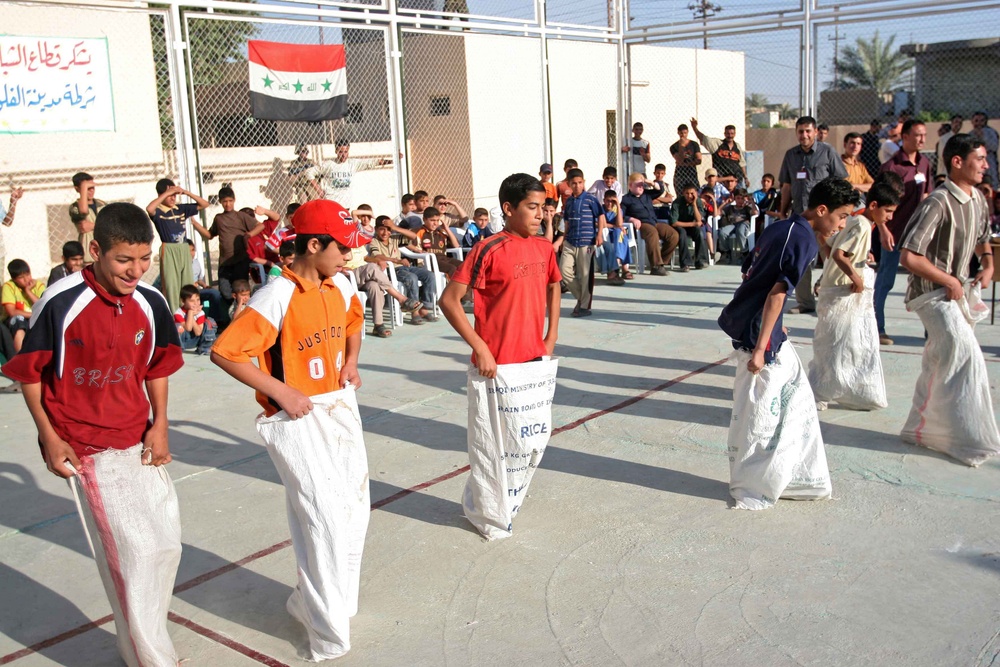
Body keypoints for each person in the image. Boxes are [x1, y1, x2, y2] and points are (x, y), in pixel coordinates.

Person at [1, 202, 184, 665]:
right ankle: (151, 659)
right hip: (87, 449)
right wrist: (48, 435)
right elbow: (29, 374)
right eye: (125, 260)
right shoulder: (62, 301)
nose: (136, 270)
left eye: (145, 259)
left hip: (138, 440)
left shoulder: (151, 300)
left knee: (164, 546)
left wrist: (159, 424)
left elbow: (159, 365)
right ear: (96, 250)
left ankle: (141, 644)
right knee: (133, 557)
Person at [211, 198, 369, 661]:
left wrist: (352, 361)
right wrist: (281, 392)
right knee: (320, 518)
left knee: (354, 511)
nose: (349, 256)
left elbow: (354, 322)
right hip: (295, 417)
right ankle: (327, 632)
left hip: (337, 407)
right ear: (314, 244)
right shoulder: (277, 295)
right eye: (342, 247)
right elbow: (226, 352)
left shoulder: (340, 286)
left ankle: (324, 602)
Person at [717, 178, 858, 510]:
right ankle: (753, 486)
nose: (841, 225)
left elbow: (750, 271)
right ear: (821, 210)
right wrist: (762, 347)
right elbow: (776, 293)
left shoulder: (780, 228)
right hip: (758, 337)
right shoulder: (804, 241)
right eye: (840, 217)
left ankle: (792, 477)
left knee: (795, 400)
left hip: (761, 328)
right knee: (761, 414)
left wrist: (775, 325)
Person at [897, 134, 1000, 466]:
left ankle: (919, 429)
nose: (986, 165)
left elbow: (983, 238)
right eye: (980, 159)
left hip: (955, 293)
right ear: (957, 162)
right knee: (965, 354)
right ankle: (967, 438)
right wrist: (949, 281)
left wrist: (988, 263)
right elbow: (909, 256)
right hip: (931, 295)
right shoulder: (937, 201)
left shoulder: (979, 200)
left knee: (940, 359)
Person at [809, 182, 899, 411]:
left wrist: (856, 257)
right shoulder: (861, 225)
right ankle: (820, 389)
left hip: (837, 286)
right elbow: (840, 254)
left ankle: (841, 388)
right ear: (874, 205)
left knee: (843, 340)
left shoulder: (856, 221)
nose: (889, 217)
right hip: (842, 289)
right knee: (836, 341)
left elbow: (829, 244)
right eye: (887, 211)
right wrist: (855, 278)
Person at [778, 115, 848, 314]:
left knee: (831, 258)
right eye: (800, 131)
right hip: (801, 218)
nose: (804, 135)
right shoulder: (791, 156)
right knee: (800, 260)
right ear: (796, 133)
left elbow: (841, 181)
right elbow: (786, 185)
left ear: (816, 132)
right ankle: (805, 302)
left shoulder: (828, 152)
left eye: (808, 131)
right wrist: (783, 210)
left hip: (825, 219)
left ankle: (832, 299)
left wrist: (839, 213)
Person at [875, 119, 933, 345]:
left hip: (919, 237)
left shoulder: (925, 163)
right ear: (905, 137)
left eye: (924, 135)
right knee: (885, 281)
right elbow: (878, 204)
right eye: (918, 135)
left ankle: (932, 331)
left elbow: (928, 196)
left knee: (925, 283)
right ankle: (877, 328)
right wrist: (882, 229)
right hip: (894, 234)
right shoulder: (891, 167)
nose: (922, 139)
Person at [146, 178, 210, 312]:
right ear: (161, 195)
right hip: (169, 249)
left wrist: (185, 192)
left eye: (174, 195)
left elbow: (205, 204)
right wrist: (167, 193)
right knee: (171, 285)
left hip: (183, 248)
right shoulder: (159, 212)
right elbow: (149, 208)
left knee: (186, 282)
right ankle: (175, 314)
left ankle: (191, 312)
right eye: (170, 195)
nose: (173, 198)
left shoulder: (181, 209)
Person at [369, 217, 437, 324]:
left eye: (388, 229)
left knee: (429, 275)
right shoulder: (374, 241)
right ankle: (414, 312)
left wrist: (395, 227)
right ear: (376, 229)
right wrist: (397, 260)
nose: (385, 233)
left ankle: (424, 307)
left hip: (403, 267)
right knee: (411, 278)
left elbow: (414, 237)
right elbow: (379, 257)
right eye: (382, 229)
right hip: (390, 270)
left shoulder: (394, 238)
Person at [560, 168, 605, 317]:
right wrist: (564, 239)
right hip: (570, 241)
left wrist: (599, 234)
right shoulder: (569, 202)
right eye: (574, 183)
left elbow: (600, 216)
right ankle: (581, 297)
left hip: (586, 242)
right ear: (569, 184)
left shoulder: (591, 199)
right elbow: (566, 222)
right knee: (564, 271)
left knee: (585, 275)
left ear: (583, 182)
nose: (577, 186)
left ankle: (584, 306)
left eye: (580, 183)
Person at [620, 172, 679, 276]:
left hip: (653, 222)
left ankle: (661, 262)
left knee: (673, 234)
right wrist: (631, 219)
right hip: (641, 225)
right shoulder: (626, 199)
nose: (641, 187)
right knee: (652, 233)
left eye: (642, 185)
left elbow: (660, 189)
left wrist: (649, 182)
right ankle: (656, 266)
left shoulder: (647, 194)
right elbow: (620, 215)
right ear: (630, 186)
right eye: (638, 185)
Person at [309, 138, 390, 203]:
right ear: (336, 151)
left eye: (345, 152)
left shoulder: (352, 164)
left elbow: (372, 162)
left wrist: (392, 160)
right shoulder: (329, 164)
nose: (343, 155)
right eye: (340, 152)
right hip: (332, 202)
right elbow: (309, 173)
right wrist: (318, 189)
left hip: (346, 204)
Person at [2, 259, 45, 353]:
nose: (26, 279)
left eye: (28, 275)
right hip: (15, 320)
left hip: (34, 317)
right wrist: (33, 315)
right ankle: (21, 356)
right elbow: (12, 312)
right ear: (14, 279)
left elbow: (43, 305)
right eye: (21, 277)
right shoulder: (9, 287)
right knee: (18, 320)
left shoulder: (38, 285)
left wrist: (28, 291)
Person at [690, 118, 749, 185]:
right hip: (722, 181)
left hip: (736, 180)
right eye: (728, 133)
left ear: (735, 134)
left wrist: (746, 178)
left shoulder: (737, 146)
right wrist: (694, 128)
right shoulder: (717, 144)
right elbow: (703, 138)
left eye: (732, 133)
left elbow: (742, 163)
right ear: (724, 134)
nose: (730, 136)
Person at [414, 207, 462, 276]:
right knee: (452, 268)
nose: (435, 223)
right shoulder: (420, 232)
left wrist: (446, 228)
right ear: (424, 219)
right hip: (429, 261)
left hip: (444, 258)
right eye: (432, 220)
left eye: (437, 220)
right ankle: (452, 287)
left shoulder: (441, 233)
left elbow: (456, 245)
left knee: (464, 265)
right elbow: (416, 250)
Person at [69, 172, 105, 265]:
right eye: (87, 189)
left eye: (92, 187)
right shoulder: (75, 207)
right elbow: (84, 213)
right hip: (88, 253)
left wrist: (95, 226)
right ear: (77, 189)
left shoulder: (101, 204)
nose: (91, 191)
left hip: (104, 249)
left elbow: (110, 224)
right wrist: (83, 188)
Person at [670, 185, 709, 271]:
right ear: (683, 193)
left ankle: (700, 261)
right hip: (680, 226)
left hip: (693, 226)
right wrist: (693, 224)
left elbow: (699, 220)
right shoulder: (677, 202)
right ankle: (685, 263)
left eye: (692, 193)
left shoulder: (698, 201)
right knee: (682, 234)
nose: (689, 196)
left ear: (696, 194)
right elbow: (674, 222)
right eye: (687, 193)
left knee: (699, 232)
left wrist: (694, 204)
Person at [175, 283, 217, 355]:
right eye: (192, 301)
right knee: (177, 327)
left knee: (209, 322)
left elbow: (198, 332)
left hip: (195, 340)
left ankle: (204, 348)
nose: (196, 303)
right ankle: (177, 349)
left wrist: (192, 317)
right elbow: (188, 328)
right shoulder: (178, 313)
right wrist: (190, 313)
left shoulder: (200, 313)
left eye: (198, 300)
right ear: (183, 301)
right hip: (182, 341)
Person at [717, 188, 757, 264]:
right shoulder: (730, 208)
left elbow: (755, 213)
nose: (740, 200)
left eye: (742, 198)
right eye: (738, 198)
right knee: (722, 232)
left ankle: (744, 252)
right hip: (731, 225)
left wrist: (752, 202)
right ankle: (727, 252)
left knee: (740, 231)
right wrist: (725, 203)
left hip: (743, 224)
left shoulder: (747, 208)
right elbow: (717, 213)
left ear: (745, 198)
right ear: (734, 198)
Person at [599, 190, 628, 285]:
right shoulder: (601, 209)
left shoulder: (617, 210)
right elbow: (600, 224)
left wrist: (618, 206)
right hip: (604, 233)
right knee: (619, 231)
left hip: (615, 233)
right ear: (604, 200)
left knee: (620, 233)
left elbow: (619, 224)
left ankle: (617, 260)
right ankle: (622, 267)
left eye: (612, 201)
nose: (610, 203)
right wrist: (613, 226)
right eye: (608, 201)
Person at [669, 124, 702, 195]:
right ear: (678, 133)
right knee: (680, 193)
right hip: (680, 172)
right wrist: (681, 146)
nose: (683, 135)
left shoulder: (694, 144)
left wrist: (688, 164)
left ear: (687, 132)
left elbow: (699, 160)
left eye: (685, 133)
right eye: (681, 133)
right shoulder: (674, 146)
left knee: (694, 192)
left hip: (691, 172)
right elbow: (679, 160)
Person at [970, 111, 999, 189]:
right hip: (975, 161)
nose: (979, 123)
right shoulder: (970, 134)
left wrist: (982, 137)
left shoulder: (991, 132)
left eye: (981, 121)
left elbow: (994, 146)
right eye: (976, 121)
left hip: (989, 160)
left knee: (991, 182)